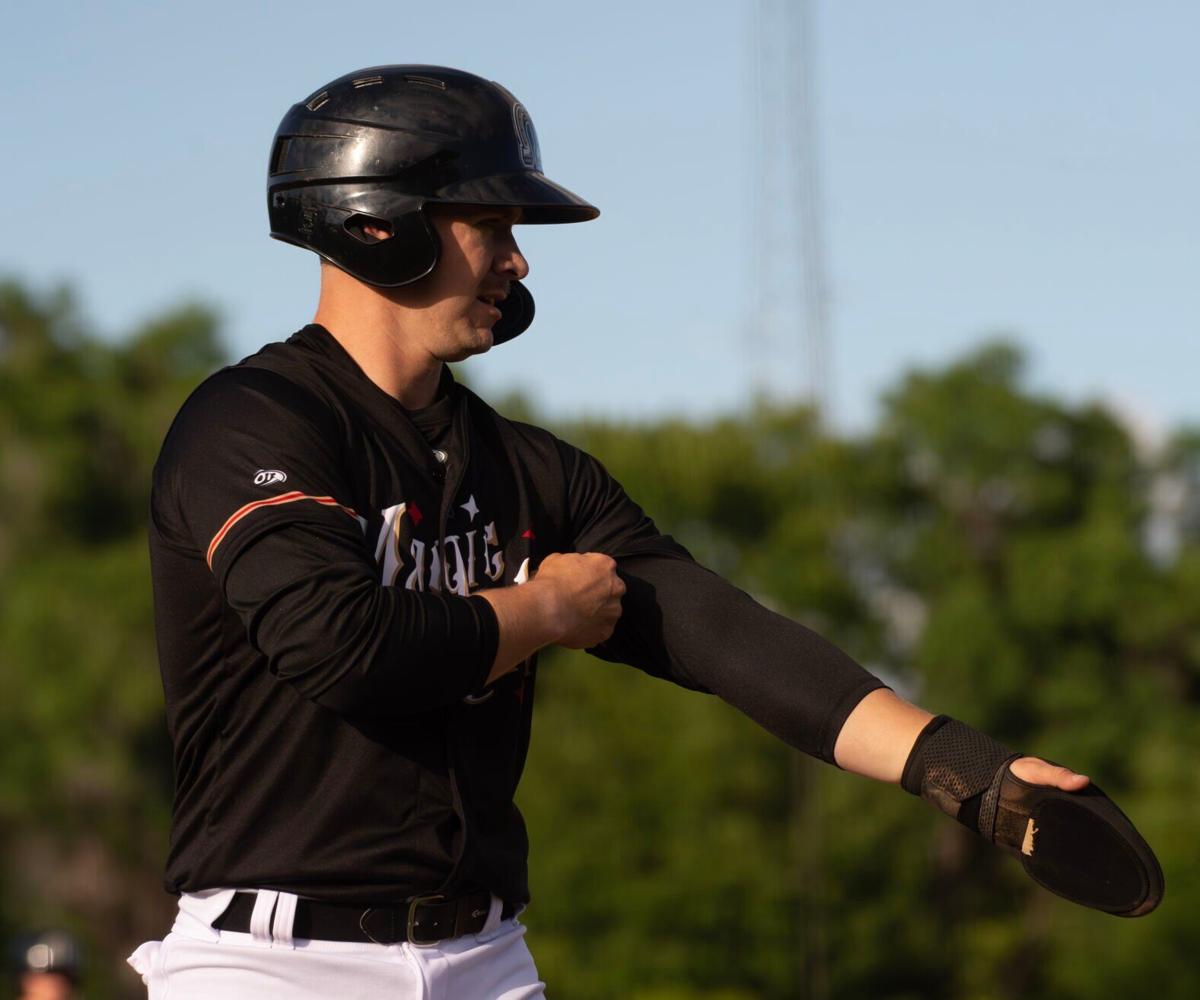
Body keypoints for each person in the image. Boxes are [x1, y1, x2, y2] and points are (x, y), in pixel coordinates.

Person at [128, 65, 1162, 999]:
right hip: (269, 962)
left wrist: (974, 775)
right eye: (491, 222)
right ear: (382, 221)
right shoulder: (252, 423)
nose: (518, 259)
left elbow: (721, 633)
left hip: (484, 958)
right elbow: (341, 644)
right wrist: (543, 610)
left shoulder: (527, 468)